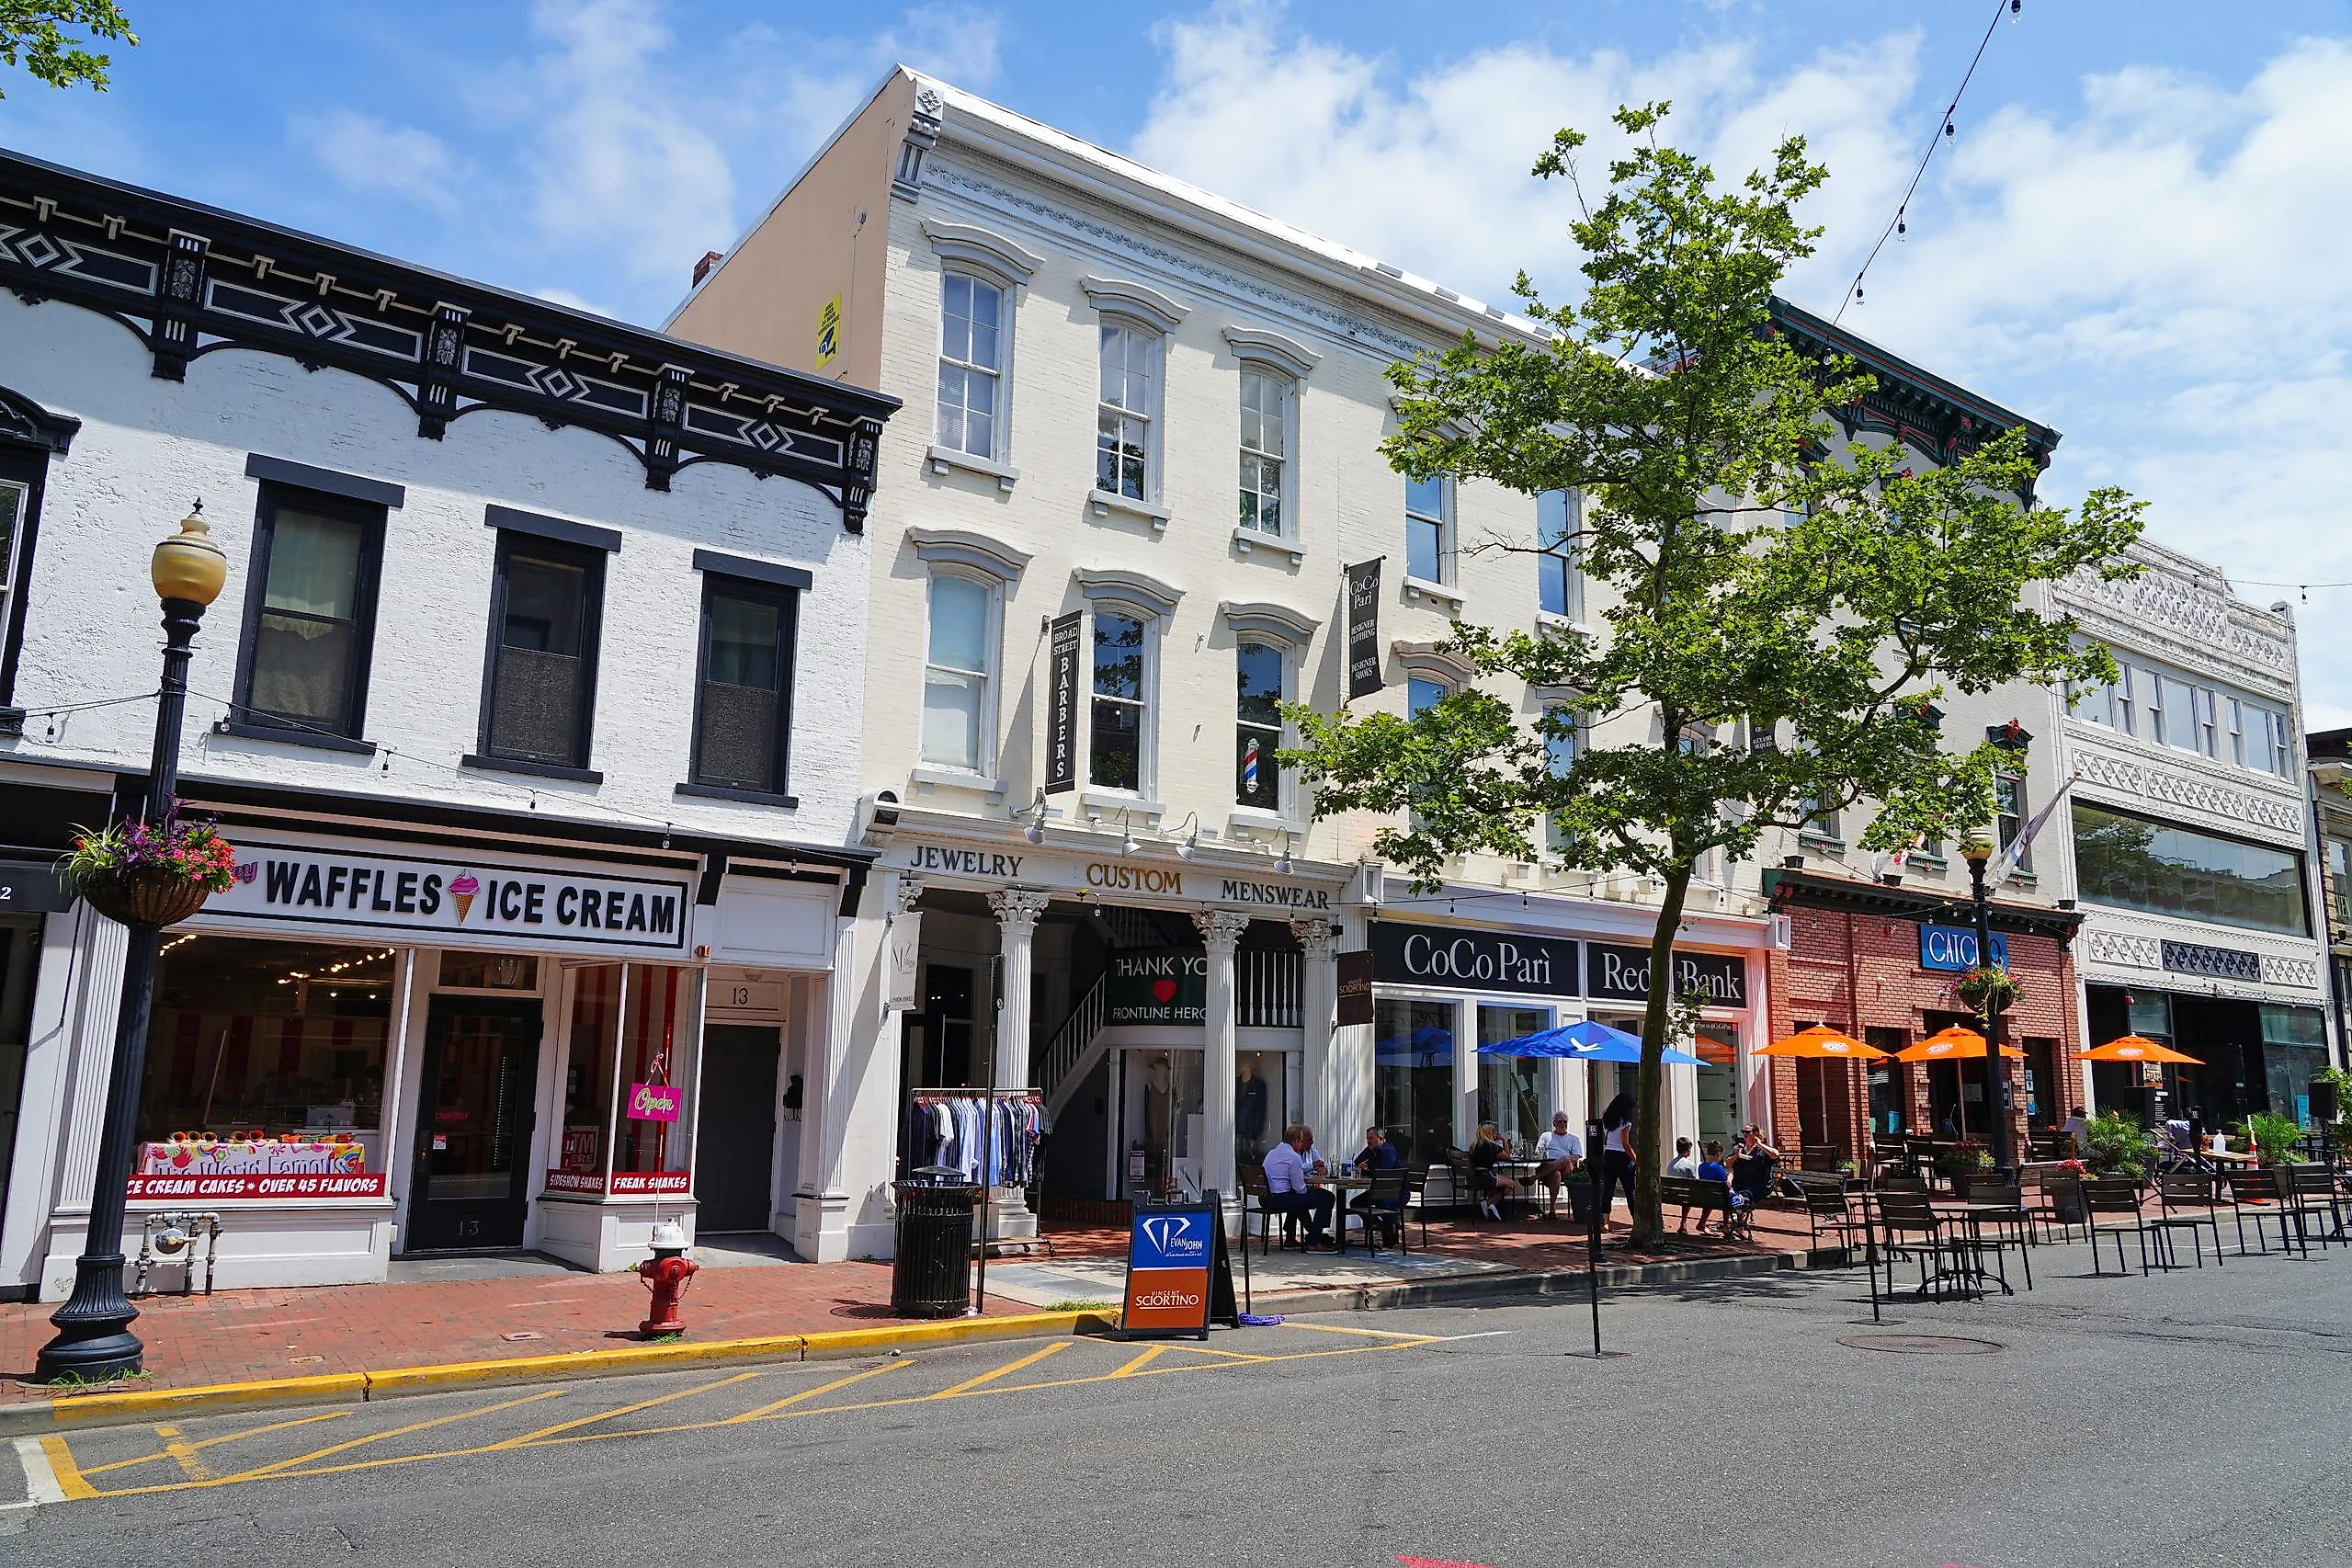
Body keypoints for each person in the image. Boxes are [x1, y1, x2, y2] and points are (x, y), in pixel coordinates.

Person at [1261, 1123, 1335, 1248]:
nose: (1301, 1145)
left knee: (1298, 1199)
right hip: (1280, 1199)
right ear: (1295, 1141)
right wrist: (1310, 1190)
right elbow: (1300, 1189)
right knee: (1327, 1197)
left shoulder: (1272, 1153)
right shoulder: (1293, 1157)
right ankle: (1313, 1242)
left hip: (1265, 1198)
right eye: (1301, 1141)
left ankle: (1292, 1238)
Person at [1597, 1093, 1637, 1222]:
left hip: (1608, 1154)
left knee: (1608, 1191)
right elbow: (1625, 1144)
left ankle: (1606, 1222)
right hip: (1622, 1157)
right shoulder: (1625, 1123)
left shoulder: (1608, 1120)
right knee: (1630, 1191)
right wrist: (1635, 1158)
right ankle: (1636, 1220)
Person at [1468, 1122, 1518, 1221]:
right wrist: (1503, 1139)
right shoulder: (1492, 1146)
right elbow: (1508, 1157)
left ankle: (1492, 1209)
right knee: (1511, 1184)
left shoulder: (1473, 1146)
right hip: (1486, 1176)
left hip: (1475, 1177)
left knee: (1494, 1188)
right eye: (1494, 1130)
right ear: (1490, 1133)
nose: (1496, 1132)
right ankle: (1488, 1203)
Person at [1534, 1112, 1584, 1211]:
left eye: (1565, 1122)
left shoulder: (1573, 1139)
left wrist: (1562, 1160)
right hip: (1550, 1170)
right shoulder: (1546, 1136)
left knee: (1565, 1160)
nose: (1563, 1124)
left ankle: (1534, 1178)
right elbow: (1538, 1154)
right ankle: (1552, 1208)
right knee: (1556, 1174)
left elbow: (1575, 1157)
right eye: (1560, 1122)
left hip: (1567, 1169)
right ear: (1554, 1124)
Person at [1696, 1140, 1740, 1236]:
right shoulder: (1718, 1168)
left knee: (1712, 1199)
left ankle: (1702, 1223)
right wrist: (1730, 1175)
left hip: (1706, 1197)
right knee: (1727, 1198)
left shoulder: (1701, 1166)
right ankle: (1726, 1225)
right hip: (1720, 1200)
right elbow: (1727, 1185)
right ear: (1718, 1154)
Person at [1729, 1125, 1778, 1206]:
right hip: (1740, 1184)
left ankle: (1739, 1212)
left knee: (1741, 1199)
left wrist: (1760, 1145)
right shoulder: (1738, 1148)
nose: (1745, 1134)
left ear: (1755, 1134)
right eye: (1743, 1131)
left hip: (1758, 1185)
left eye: (1747, 1132)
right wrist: (1736, 1156)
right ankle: (1738, 1216)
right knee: (1726, 1196)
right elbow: (1728, 1164)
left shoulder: (1763, 1150)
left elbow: (1776, 1155)